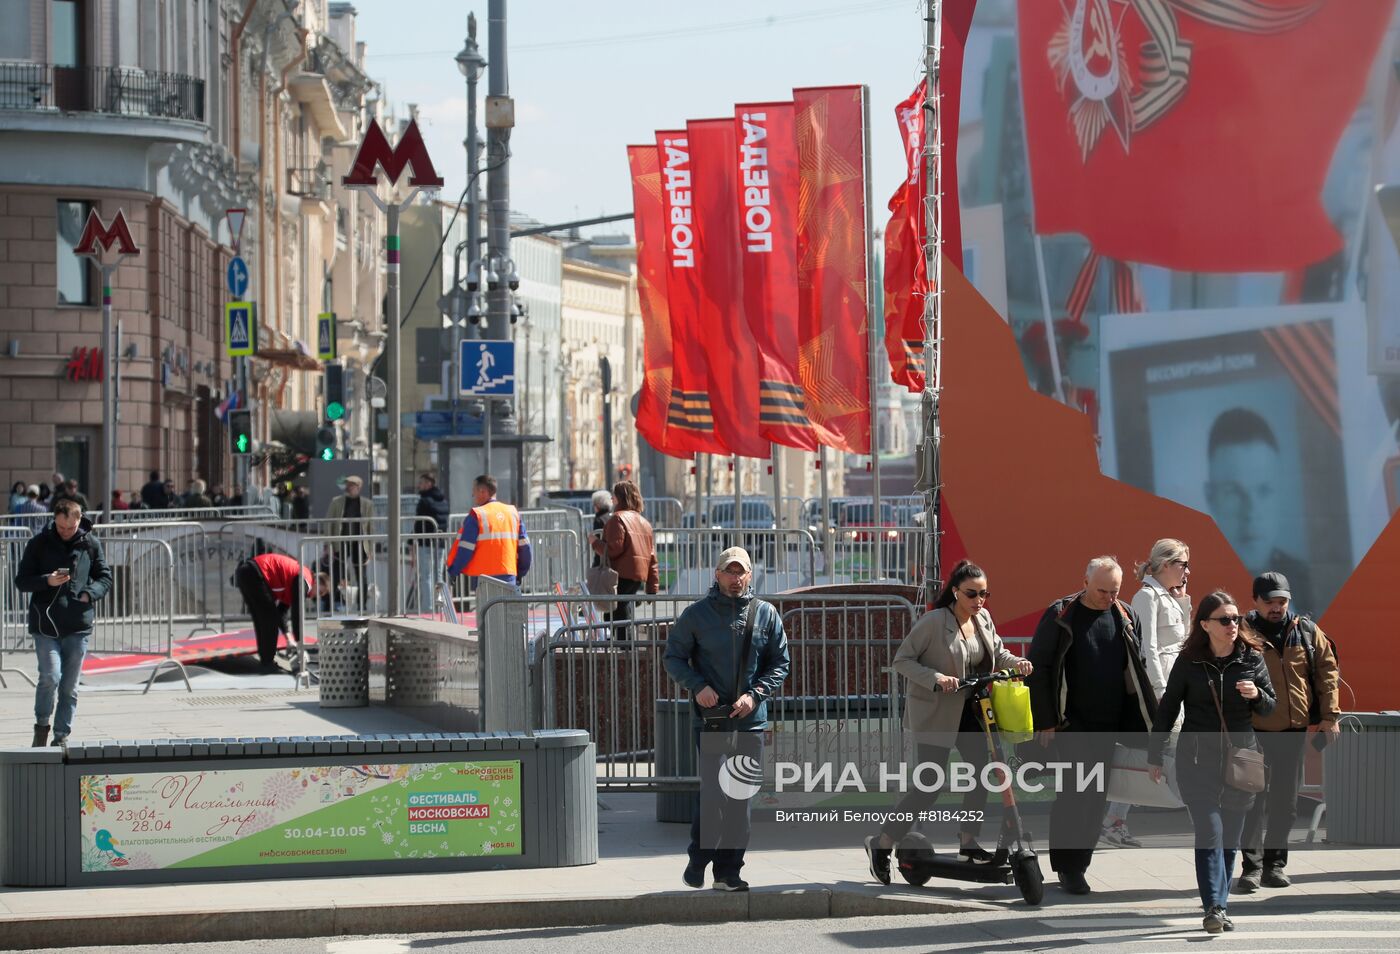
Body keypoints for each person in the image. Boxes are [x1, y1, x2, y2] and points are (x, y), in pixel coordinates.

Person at [863, 559, 1033, 884]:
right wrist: (936, 677)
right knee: (930, 785)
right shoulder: (934, 622)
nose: (979, 600)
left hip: (970, 710)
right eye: (972, 594)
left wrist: (1019, 662)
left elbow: (997, 655)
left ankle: (968, 843)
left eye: (984, 594)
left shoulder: (983, 618)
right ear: (955, 591)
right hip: (936, 712)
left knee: (982, 775)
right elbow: (902, 660)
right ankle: (882, 844)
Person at [1026, 556, 1157, 895]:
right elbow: (1040, 668)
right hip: (1072, 725)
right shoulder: (1061, 614)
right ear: (1084, 581)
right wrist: (1046, 721)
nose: (1108, 597)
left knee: (1096, 798)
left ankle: (1080, 863)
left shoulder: (1126, 615)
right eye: (1102, 590)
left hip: (1111, 723)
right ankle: (1068, 868)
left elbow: (1137, 668)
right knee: (1074, 795)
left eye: (1114, 591)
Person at [663, 546, 790, 892]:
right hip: (711, 721)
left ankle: (728, 872)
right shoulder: (696, 616)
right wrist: (697, 686)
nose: (736, 579)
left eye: (741, 572)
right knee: (714, 796)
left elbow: (780, 663)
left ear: (750, 575)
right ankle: (699, 856)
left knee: (739, 800)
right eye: (729, 572)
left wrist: (756, 695)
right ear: (716, 575)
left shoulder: (766, 615)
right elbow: (673, 657)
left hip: (750, 721)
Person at [1148, 591, 1275, 934]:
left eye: (1236, 619)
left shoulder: (1251, 658)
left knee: (1230, 839)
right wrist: (1155, 754)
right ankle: (1214, 907)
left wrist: (1257, 695)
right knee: (1210, 833)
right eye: (1224, 619)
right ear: (1205, 624)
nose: (1233, 625)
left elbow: (1270, 707)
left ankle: (1220, 905)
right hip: (1196, 758)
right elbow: (1169, 707)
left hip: (1241, 759)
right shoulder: (1189, 661)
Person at [1236, 571, 1340, 893]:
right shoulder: (1241, 631)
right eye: (1270, 602)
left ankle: (1275, 865)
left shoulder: (1307, 631)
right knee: (1252, 801)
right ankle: (1251, 869)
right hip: (1253, 732)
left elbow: (1327, 672)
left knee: (1286, 804)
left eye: (1282, 601)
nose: (1277, 607)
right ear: (1256, 601)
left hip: (1293, 732)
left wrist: (1329, 717)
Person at [1102, 538, 1192, 848]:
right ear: (1166, 565)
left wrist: (1182, 601)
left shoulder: (1167, 596)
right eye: (1182, 564)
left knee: (1165, 750)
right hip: (1162, 685)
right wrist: (1159, 689)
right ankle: (1114, 819)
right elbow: (1147, 646)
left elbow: (1185, 640)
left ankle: (1115, 820)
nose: (1187, 572)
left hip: (1175, 683)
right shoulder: (1147, 596)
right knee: (1161, 750)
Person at [14, 499, 112, 747]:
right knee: (49, 676)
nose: (66, 532)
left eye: (70, 527)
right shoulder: (39, 543)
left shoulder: (90, 543)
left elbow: (104, 576)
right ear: (54, 520)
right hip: (45, 623)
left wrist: (90, 592)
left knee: (69, 688)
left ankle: (61, 737)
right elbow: (22, 580)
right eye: (61, 527)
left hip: (78, 624)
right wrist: (47, 581)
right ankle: (42, 726)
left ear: (79, 520)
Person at [1203, 408, 1314, 613]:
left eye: (1264, 491)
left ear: (1280, 494)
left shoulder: (1310, 583)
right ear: (1211, 498)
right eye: (1234, 493)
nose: (1251, 513)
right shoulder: (1188, 588)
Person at [590, 480, 659, 637]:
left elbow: (613, 550)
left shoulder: (617, 519)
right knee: (622, 608)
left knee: (616, 610)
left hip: (620, 573)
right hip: (637, 575)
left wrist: (595, 543)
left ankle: (622, 646)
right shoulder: (645, 523)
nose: (612, 499)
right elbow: (652, 557)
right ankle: (624, 645)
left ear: (620, 497)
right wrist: (652, 588)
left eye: (614, 496)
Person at [233, 551, 313, 672]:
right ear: (317, 582)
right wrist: (300, 643)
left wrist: (289, 639)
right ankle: (267, 662)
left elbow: (280, 613)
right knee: (269, 620)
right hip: (255, 573)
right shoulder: (306, 579)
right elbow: (297, 612)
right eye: (321, 592)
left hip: (246, 572)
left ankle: (265, 661)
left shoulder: (292, 582)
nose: (313, 597)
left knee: (261, 619)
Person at [447, 474, 532, 587]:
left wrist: (454, 570)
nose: (473, 495)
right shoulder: (513, 513)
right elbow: (525, 548)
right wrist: (520, 573)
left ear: (482, 491)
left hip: (484, 580)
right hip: (509, 577)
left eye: (474, 491)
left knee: (487, 605)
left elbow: (465, 549)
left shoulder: (476, 515)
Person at [326, 475, 374, 595]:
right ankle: (334, 602)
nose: (348, 487)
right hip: (341, 542)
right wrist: (328, 544)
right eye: (347, 484)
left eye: (352, 485)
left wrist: (371, 549)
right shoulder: (336, 502)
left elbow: (371, 527)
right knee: (337, 573)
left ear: (358, 487)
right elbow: (328, 523)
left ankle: (361, 604)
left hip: (360, 544)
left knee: (361, 575)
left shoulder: (367, 504)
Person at [590, 489, 613, 568]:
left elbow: (597, 541)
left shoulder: (598, 520)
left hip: (601, 559)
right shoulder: (613, 517)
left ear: (597, 505)